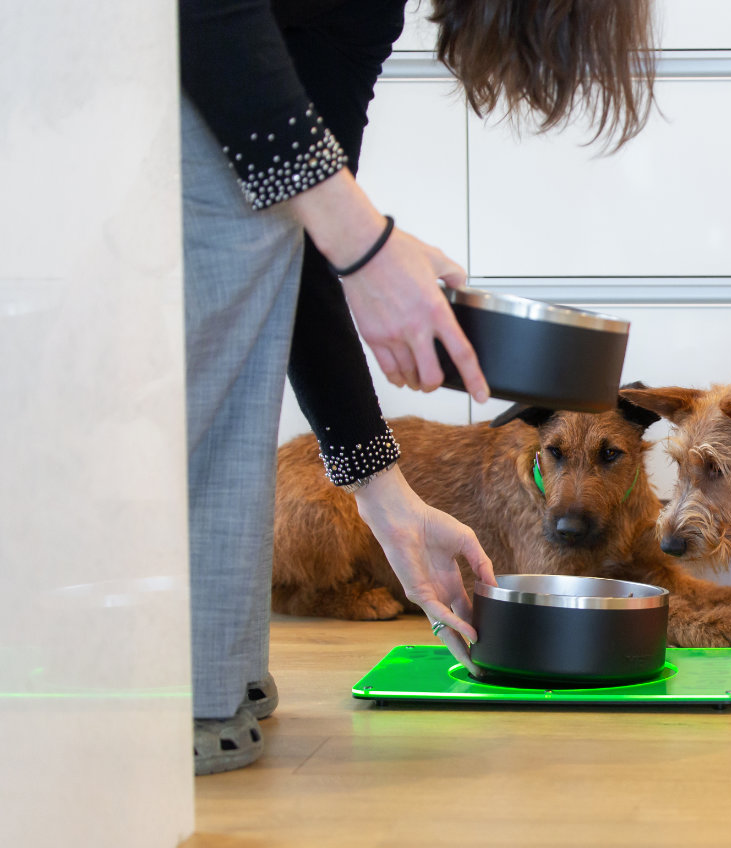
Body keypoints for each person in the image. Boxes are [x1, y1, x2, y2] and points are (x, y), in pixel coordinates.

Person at [180, 0, 657, 775]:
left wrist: (383, 494)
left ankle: (210, 650)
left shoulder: (360, 18)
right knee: (228, 233)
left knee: (264, 235)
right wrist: (365, 247)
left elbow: (299, 247)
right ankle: (165, 669)